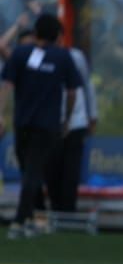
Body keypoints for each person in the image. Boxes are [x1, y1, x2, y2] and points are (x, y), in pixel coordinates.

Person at [0, 14, 81, 239]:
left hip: (22, 123)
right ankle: (21, 221)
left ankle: (25, 220)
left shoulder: (21, 53)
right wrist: (66, 119)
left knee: (28, 170)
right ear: (57, 36)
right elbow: (72, 92)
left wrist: (0, 116)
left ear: (35, 33)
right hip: (47, 125)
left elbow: (6, 86)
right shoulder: (63, 57)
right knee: (32, 173)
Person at [47, 42, 95, 214]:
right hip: (53, 122)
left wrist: (91, 114)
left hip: (73, 121)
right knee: (53, 167)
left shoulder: (75, 56)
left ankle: (67, 209)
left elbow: (84, 85)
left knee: (70, 167)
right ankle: (57, 208)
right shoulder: (41, 57)